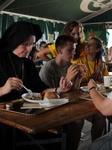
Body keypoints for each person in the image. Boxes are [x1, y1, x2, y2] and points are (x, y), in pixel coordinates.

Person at [0, 21, 73, 150]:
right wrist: (3, 89)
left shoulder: (27, 64)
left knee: (55, 132)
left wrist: (59, 89)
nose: (29, 49)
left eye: (31, 44)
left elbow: (39, 88)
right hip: (4, 117)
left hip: (26, 113)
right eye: (24, 44)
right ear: (13, 40)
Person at [39, 34, 85, 150]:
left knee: (85, 117)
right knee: (78, 121)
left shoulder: (69, 65)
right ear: (59, 50)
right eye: (70, 50)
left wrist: (79, 77)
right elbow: (47, 97)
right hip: (49, 109)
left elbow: (73, 91)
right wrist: (68, 78)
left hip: (65, 104)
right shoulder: (48, 69)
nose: (73, 53)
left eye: (74, 50)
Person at [73, 37, 112, 140]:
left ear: (98, 49)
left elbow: (105, 81)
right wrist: (93, 77)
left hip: (94, 95)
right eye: (87, 44)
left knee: (101, 113)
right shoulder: (79, 61)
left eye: (91, 44)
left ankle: (97, 143)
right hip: (81, 96)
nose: (87, 46)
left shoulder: (100, 64)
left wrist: (101, 75)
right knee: (104, 108)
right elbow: (74, 82)